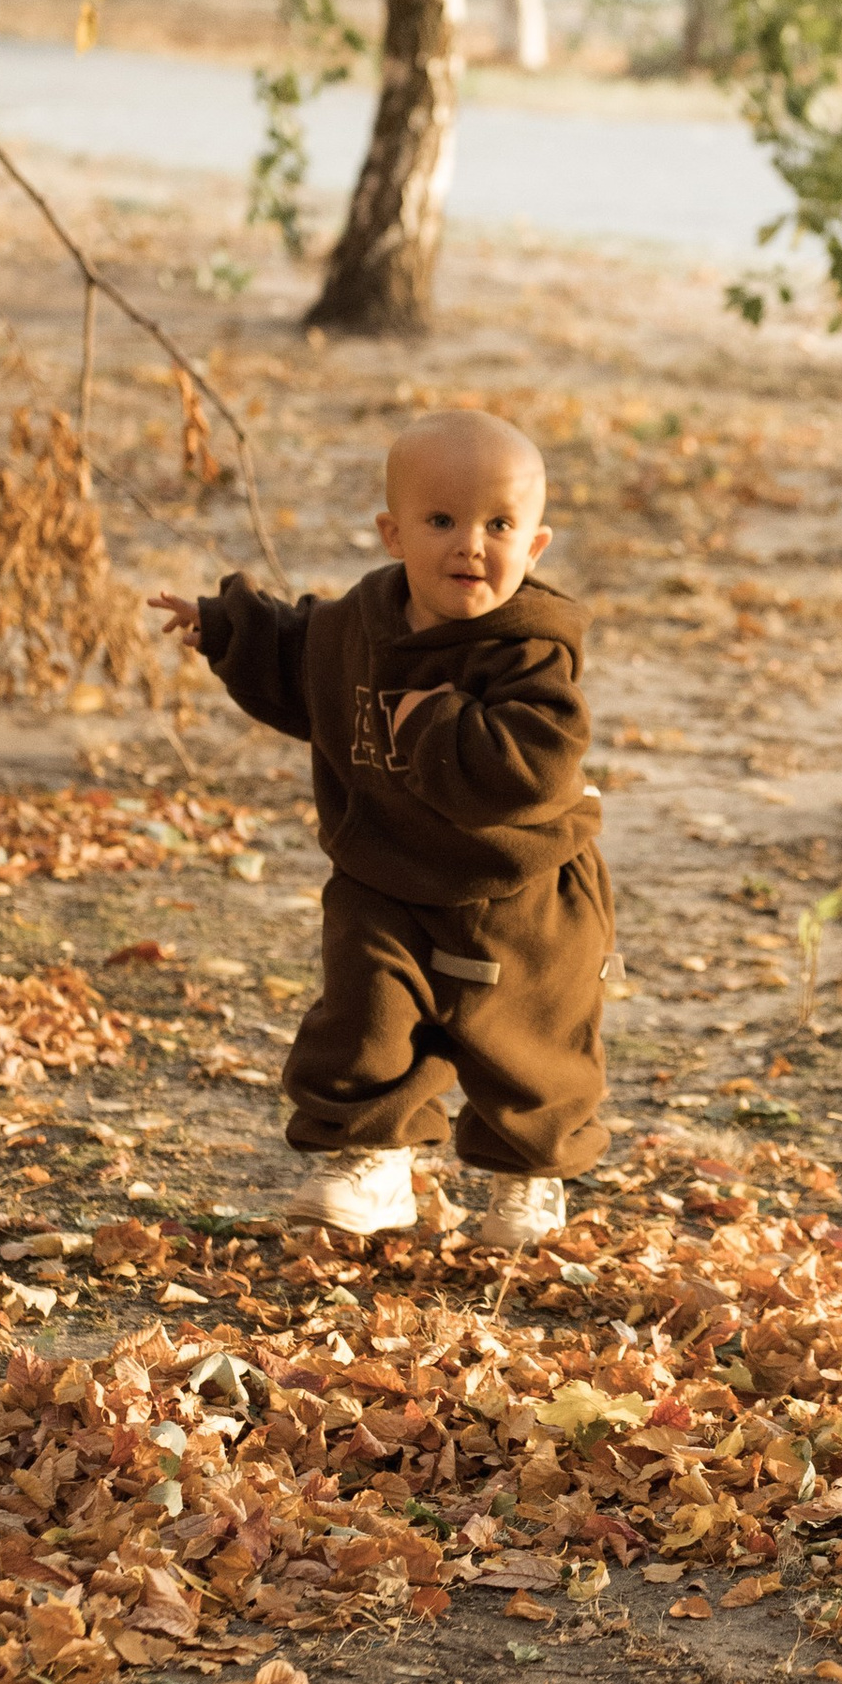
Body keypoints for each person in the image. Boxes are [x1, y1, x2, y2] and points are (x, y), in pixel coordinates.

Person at [150, 407, 610, 1244]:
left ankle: (525, 1179)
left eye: (499, 524)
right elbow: (302, 653)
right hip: (384, 875)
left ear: (536, 546)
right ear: (394, 533)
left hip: (516, 888)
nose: (470, 544)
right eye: (442, 521)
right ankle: (370, 1161)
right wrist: (228, 629)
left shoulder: (531, 651)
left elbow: (535, 764)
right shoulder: (363, 625)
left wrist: (440, 725)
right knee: (363, 1021)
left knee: (530, 1047)